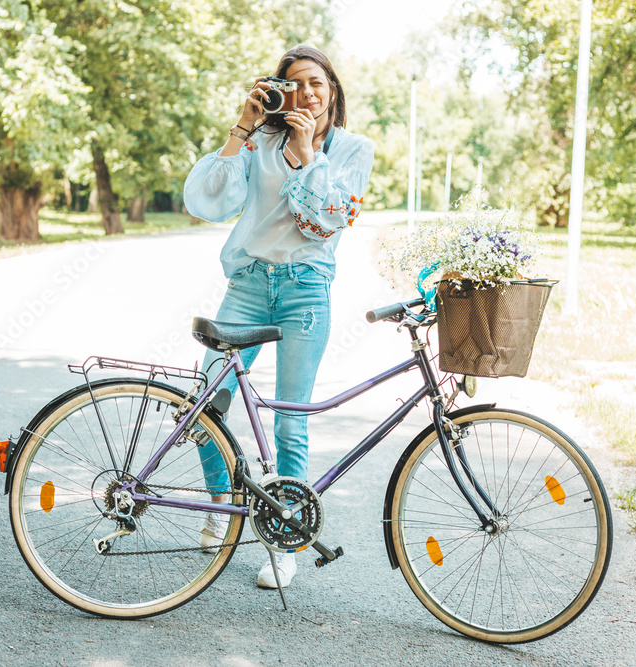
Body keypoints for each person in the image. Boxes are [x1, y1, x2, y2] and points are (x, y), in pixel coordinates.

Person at [183, 45, 374, 589]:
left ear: (332, 89)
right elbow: (207, 202)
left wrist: (309, 150)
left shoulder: (354, 149)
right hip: (247, 285)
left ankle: (281, 539)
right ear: (280, 92)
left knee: (290, 418)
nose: (308, 94)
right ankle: (220, 508)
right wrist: (241, 128)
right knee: (206, 403)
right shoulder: (259, 142)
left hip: (305, 291)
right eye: (295, 84)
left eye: (317, 83)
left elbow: (328, 220)